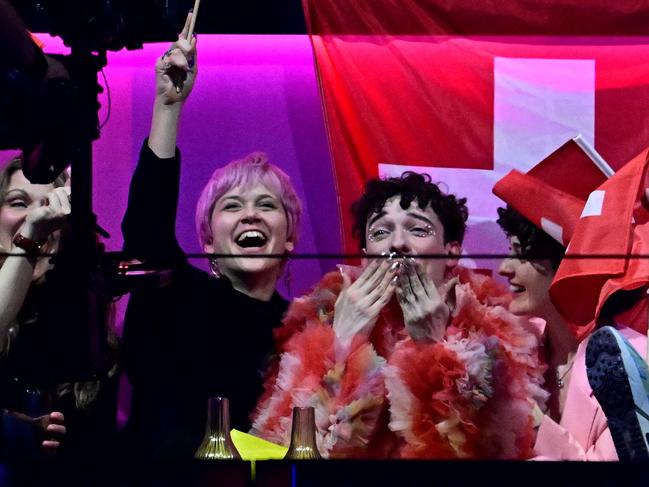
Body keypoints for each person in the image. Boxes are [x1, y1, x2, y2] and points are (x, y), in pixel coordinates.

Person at [251, 172, 546, 459]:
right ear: (366, 256)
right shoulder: (321, 317)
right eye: (381, 232)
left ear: (451, 252)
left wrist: (437, 349)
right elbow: (283, 450)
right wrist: (341, 343)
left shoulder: (494, 330)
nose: (397, 244)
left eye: (418, 230)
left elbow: (501, 455)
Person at [119, 12, 303, 460]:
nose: (250, 215)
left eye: (266, 204)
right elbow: (146, 232)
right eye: (232, 206)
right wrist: (168, 107)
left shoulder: (304, 329)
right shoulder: (175, 297)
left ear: (290, 236)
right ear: (207, 240)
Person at [492, 141, 647, 460]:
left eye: (520, 254)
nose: (504, 268)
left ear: (568, 262)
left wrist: (532, 422)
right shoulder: (506, 346)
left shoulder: (636, 359)